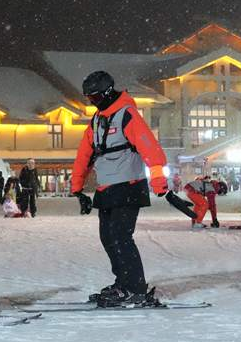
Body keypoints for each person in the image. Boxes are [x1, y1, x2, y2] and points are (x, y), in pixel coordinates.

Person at [71, 71, 170, 307]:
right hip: (106, 188)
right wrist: (77, 189)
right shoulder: (96, 121)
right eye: (89, 99)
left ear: (106, 93)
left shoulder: (127, 114)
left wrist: (158, 181)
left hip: (129, 184)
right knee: (107, 237)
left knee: (121, 236)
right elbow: (84, 155)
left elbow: (151, 148)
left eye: (94, 98)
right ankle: (123, 283)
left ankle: (135, 288)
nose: (92, 103)